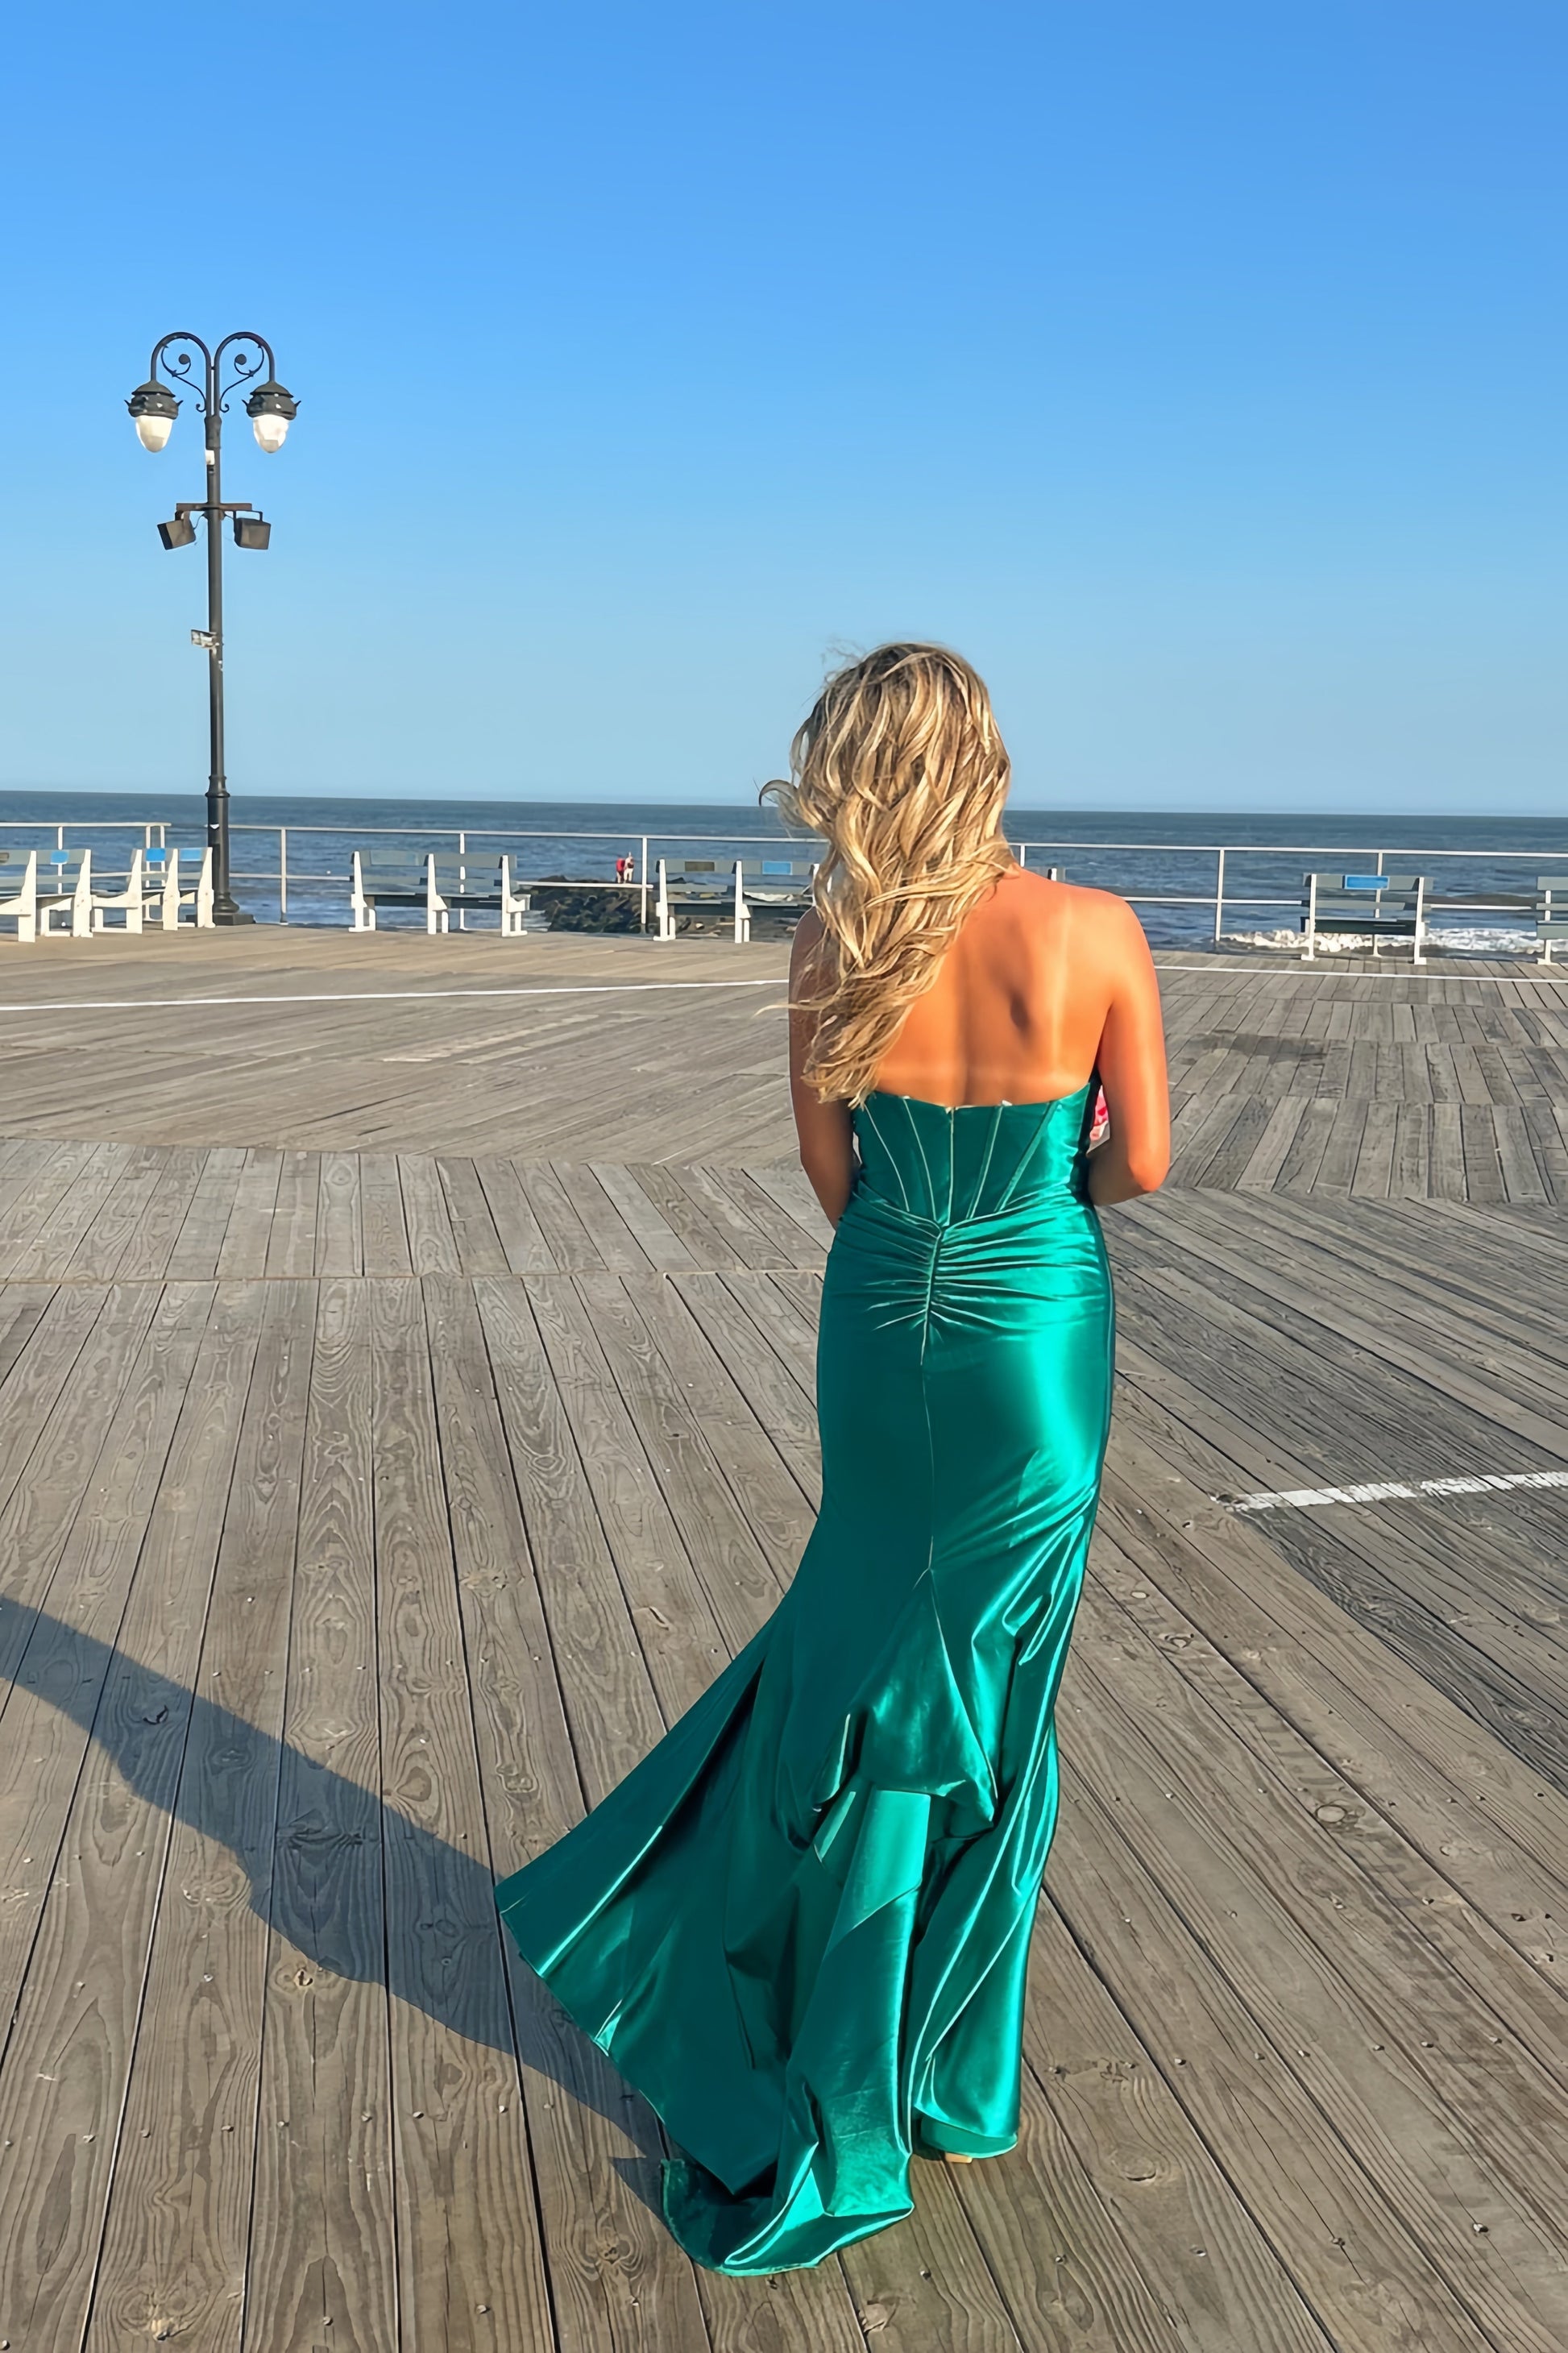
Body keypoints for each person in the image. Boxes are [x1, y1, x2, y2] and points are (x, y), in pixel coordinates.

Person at [496, 642, 1170, 2274]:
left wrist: (909, 1247)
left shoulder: (834, 940)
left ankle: (872, 2029)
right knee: (985, 1675)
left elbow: (828, 1164)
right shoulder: (1092, 928)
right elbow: (1141, 1164)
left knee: (863, 1643)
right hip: (1031, 1330)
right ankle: (910, 2074)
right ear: (983, 758)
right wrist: (1038, 1191)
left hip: (877, 1314)